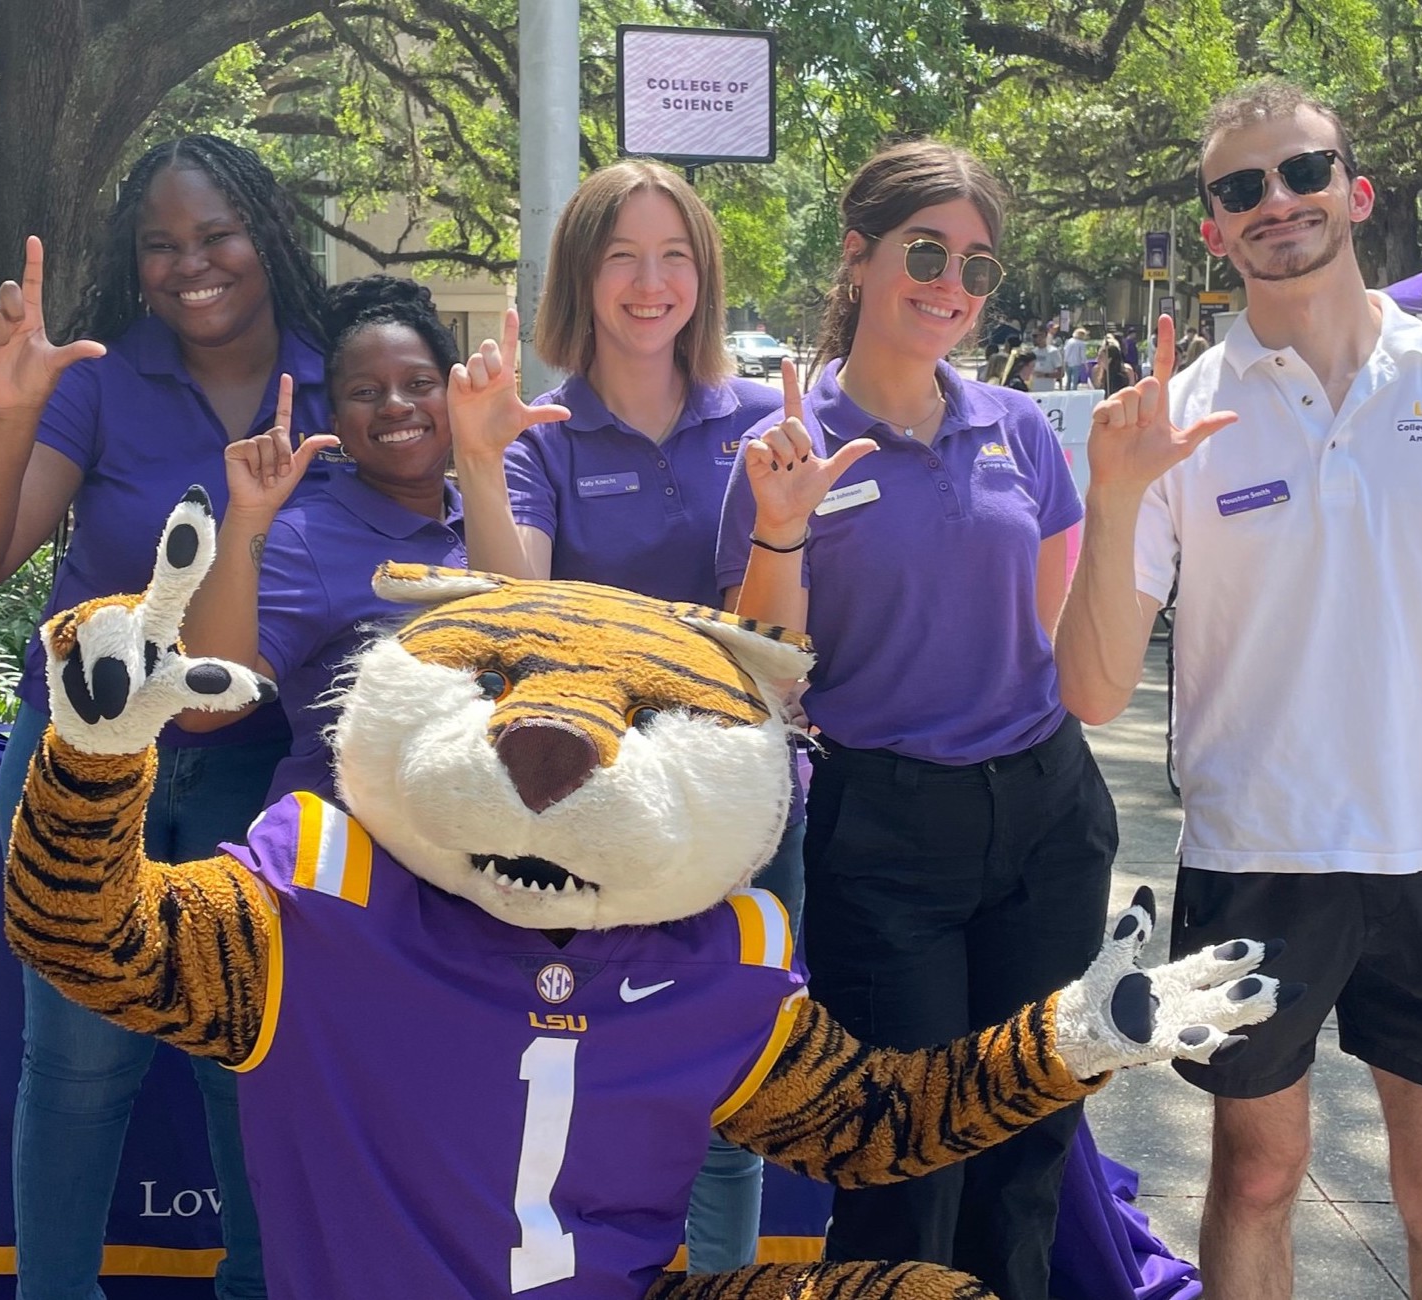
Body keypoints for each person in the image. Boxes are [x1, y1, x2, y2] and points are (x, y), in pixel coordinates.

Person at [1053, 80, 1422, 1300]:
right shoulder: (1178, 419)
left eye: (1300, 171)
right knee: (1255, 1180)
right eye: (1238, 187)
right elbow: (1096, 690)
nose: (1275, 200)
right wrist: (1110, 498)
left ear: (1350, 192)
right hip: (1256, 852)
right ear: (1211, 227)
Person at [0, 134, 333, 1300]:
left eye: (216, 235)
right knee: (77, 1067)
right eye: (161, 244)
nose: (190, 264)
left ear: (268, 234)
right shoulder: (97, 382)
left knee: (247, 1062)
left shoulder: (333, 375)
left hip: (255, 774)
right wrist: (9, 412)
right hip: (86, 769)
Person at [719, 139, 1119, 1300]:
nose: (950, 284)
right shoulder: (782, 446)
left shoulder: (1018, 429)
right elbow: (768, 673)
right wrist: (781, 525)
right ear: (857, 254)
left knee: (1029, 1131)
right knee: (903, 1154)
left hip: (1043, 810)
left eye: (977, 266)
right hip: (883, 832)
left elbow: (1042, 636)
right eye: (926, 251)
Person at [443, 159, 794, 1277]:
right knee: (582, 1078)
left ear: (705, 274)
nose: (650, 283)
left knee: (732, 1086)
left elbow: (774, 636)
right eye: (621, 257)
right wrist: (478, 463)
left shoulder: (759, 421)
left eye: (674, 255)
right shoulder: (541, 434)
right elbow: (517, 613)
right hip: (583, 811)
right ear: (580, 278)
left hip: (732, 804)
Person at [174, 276, 467, 803]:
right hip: (352, 860)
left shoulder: (500, 521)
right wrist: (248, 515)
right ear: (336, 423)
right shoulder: (304, 538)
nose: (396, 405)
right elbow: (200, 708)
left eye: (420, 384)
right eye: (365, 393)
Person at [1031, 325, 1065, 392]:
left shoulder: (1053, 352)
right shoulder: (1033, 352)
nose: (1033, 339)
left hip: (1046, 391)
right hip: (1033, 391)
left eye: (1035, 336)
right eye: (1032, 336)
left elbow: (1061, 373)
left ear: (1043, 335)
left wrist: (1044, 375)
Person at [1062, 325, 1090, 389]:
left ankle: (1067, 391)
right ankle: (1074, 392)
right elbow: (1083, 355)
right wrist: (1086, 365)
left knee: (1068, 380)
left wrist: (1065, 361)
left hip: (1068, 363)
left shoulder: (1069, 341)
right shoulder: (1081, 343)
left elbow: (1066, 352)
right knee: (1075, 381)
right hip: (1077, 363)